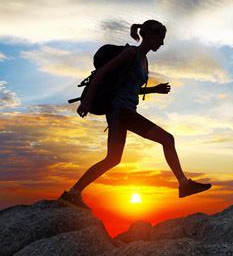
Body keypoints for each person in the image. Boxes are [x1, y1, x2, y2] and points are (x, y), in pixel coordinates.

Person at [59, 20, 211, 210]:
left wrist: (154, 90)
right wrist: (87, 101)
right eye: (160, 38)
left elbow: (130, 89)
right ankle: (184, 184)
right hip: (120, 111)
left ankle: (72, 193)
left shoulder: (144, 60)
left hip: (126, 111)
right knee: (167, 139)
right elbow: (102, 73)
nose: (162, 43)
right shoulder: (131, 52)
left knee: (113, 158)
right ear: (148, 35)